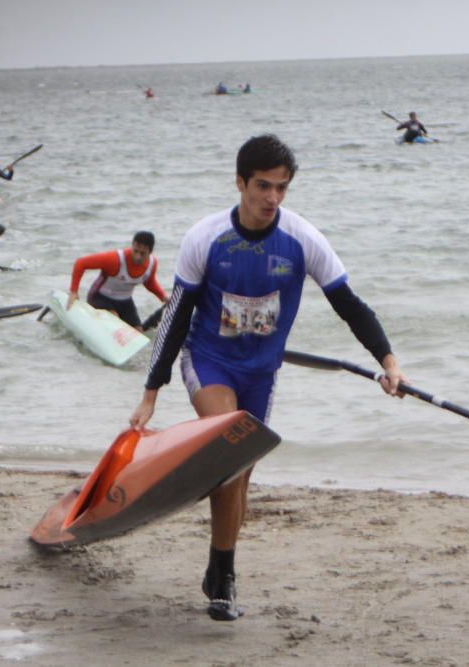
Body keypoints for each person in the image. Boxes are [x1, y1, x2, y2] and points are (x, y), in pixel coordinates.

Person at [129, 134, 406, 622]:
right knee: (230, 452)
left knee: (236, 477)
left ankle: (219, 567)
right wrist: (153, 390)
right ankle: (226, 577)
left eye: (281, 188)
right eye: (262, 186)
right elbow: (175, 315)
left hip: (262, 372)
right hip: (209, 360)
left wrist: (387, 360)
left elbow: (349, 305)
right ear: (240, 182)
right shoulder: (205, 238)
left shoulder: (302, 239)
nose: (272, 199)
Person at [67, 231, 168, 331]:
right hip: (100, 297)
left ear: (150, 252)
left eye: (143, 254)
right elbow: (80, 263)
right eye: (135, 251)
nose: (138, 256)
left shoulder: (152, 264)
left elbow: (149, 282)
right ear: (132, 245)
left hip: (125, 301)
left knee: (138, 332)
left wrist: (163, 297)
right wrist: (74, 292)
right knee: (114, 319)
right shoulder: (114, 259)